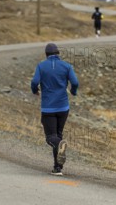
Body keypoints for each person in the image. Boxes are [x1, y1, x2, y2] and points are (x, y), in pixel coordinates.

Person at [30, 43, 79, 176]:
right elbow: (75, 82)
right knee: (58, 135)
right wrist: (73, 92)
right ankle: (57, 168)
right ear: (58, 54)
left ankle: (60, 147)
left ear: (46, 55)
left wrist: (35, 90)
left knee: (51, 138)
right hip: (63, 107)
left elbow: (34, 82)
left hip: (48, 108)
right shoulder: (67, 66)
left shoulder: (41, 66)